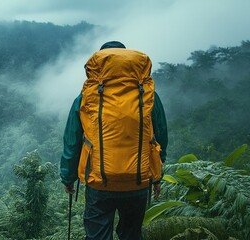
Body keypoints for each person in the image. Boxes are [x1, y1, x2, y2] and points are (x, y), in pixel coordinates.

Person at [59, 41, 168, 240]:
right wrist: (157, 175)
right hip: (138, 181)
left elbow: (72, 140)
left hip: (100, 183)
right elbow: (160, 135)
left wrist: (68, 177)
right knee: (131, 235)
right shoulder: (148, 94)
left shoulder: (86, 96)